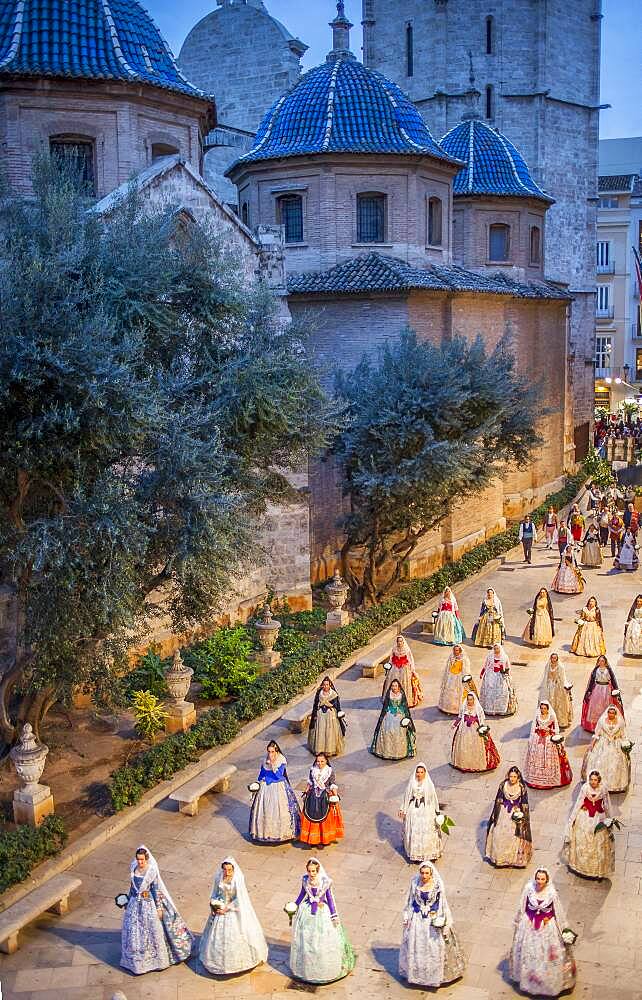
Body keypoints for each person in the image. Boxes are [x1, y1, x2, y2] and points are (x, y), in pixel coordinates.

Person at [121, 845, 193, 975]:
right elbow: (132, 887)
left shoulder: (151, 871)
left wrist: (159, 908)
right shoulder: (133, 868)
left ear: (146, 859)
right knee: (134, 930)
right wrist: (126, 901)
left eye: (142, 859)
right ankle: (136, 962)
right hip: (134, 904)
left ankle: (155, 960)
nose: (140, 862)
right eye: (138, 859)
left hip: (148, 903)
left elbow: (155, 890)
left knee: (152, 930)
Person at [509, 868, 577, 997]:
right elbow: (522, 904)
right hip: (529, 924)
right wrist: (518, 921)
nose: (540, 882)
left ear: (547, 880)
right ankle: (528, 980)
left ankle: (549, 983)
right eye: (538, 878)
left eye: (542, 879)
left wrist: (564, 929)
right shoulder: (529, 888)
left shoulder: (551, 893)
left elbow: (558, 911)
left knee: (549, 953)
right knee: (529, 952)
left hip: (547, 927)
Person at [399, 862, 465, 988]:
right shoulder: (415, 883)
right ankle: (418, 973)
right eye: (422, 873)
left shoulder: (437, 885)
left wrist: (438, 918)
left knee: (433, 946)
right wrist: (408, 916)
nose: (424, 876)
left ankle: (434, 974)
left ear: (431, 873)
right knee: (416, 944)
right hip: (418, 920)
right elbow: (410, 900)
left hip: (431, 920)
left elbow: (441, 903)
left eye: (427, 873)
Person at [289, 858, 355, 984]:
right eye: (309, 871)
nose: (311, 873)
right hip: (307, 911)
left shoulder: (324, 882)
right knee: (307, 939)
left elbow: (329, 899)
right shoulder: (305, 880)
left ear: (318, 870)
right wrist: (294, 905)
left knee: (321, 939)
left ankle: (323, 969)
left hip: (321, 911)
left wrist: (333, 915)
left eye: (313, 871)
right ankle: (307, 968)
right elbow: (301, 895)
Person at [199, 857, 268, 975]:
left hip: (233, 909)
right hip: (220, 908)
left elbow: (240, 898)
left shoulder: (237, 879)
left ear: (233, 869)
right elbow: (215, 893)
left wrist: (227, 908)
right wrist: (215, 905)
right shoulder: (219, 877)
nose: (227, 872)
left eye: (230, 870)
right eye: (225, 869)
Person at [564, 771, 615, 880]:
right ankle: (581, 867)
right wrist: (572, 819)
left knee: (598, 843)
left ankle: (596, 870)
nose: (593, 782)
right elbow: (579, 802)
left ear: (599, 780)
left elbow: (606, 804)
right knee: (583, 840)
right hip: (585, 816)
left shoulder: (603, 789)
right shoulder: (585, 788)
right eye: (591, 779)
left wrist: (610, 819)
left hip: (598, 817)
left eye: (595, 780)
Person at [249, 741, 301, 843]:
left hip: (278, 787)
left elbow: (278, 775)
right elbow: (261, 774)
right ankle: (265, 833)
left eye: (272, 751)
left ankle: (282, 833)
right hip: (265, 787)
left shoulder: (281, 760)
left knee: (280, 809)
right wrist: (257, 783)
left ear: (276, 751)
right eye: (269, 751)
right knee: (264, 809)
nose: (270, 754)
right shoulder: (265, 760)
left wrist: (273, 764)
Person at [485, 766, 533, 868]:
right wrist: (495, 813)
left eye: (514, 777)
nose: (512, 779)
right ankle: (500, 858)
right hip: (503, 812)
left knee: (513, 836)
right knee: (499, 833)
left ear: (518, 778)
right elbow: (498, 799)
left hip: (515, 812)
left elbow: (524, 803)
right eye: (511, 776)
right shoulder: (503, 785)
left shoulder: (522, 788)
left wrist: (521, 815)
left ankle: (512, 859)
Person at [398, 763, 443, 863]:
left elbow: (434, 798)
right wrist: (403, 809)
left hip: (426, 810)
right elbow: (407, 796)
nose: (419, 774)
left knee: (427, 831)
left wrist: (437, 812)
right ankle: (416, 854)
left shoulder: (429, 784)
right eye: (418, 772)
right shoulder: (412, 783)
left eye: (421, 772)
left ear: (425, 773)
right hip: (413, 810)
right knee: (415, 831)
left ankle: (429, 852)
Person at [523, 701, 572, 789]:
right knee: (536, 756)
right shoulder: (537, 716)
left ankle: (550, 778)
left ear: (548, 709)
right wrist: (535, 734)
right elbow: (534, 727)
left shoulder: (552, 716)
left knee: (549, 758)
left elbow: (556, 729)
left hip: (548, 739)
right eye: (541, 708)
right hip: (538, 739)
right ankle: (535, 777)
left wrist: (550, 732)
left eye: (544, 708)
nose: (543, 710)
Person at [582, 705, 630, 793]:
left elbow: (623, 734)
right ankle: (599, 783)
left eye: (612, 713)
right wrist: (592, 744)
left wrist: (625, 744)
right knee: (599, 761)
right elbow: (597, 734)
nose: (610, 714)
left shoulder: (620, 722)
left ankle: (614, 785)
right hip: (603, 744)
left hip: (616, 744)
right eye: (609, 712)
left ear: (615, 714)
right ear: (607, 713)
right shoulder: (602, 721)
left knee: (616, 764)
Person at [300, 753, 344, 846]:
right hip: (313, 795)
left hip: (325, 795)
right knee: (312, 815)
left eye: (322, 761)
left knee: (326, 817)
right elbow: (310, 782)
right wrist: (306, 792)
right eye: (318, 761)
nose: (320, 763)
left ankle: (324, 838)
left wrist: (335, 796)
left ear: (326, 761)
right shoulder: (313, 770)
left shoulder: (329, 771)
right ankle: (313, 839)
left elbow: (332, 784)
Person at [450, 691, 500, 773]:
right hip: (464, 729)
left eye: (471, 699)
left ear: (474, 700)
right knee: (463, 745)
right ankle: (463, 764)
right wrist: (455, 725)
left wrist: (480, 726)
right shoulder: (464, 707)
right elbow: (459, 717)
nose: (470, 701)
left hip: (475, 730)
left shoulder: (478, 708)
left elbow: (481, 720)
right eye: (468, 699)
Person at [370, 679, 416, 760]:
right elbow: (386, 705)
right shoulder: (389, 694)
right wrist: (389, 710)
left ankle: (399, 752)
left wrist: (400, 712)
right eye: (392, 686)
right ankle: (386, 751)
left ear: (399, 687)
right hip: (389, 714)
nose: (394, 687)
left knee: (398, 732)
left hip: (399, 714)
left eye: (396, 686)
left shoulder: (401, 694)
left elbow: (404, 706)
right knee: (387, 731)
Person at [581, 656, 623, 734]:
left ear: (605, 662)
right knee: (595, 706)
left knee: (605, 706)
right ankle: (594, 725)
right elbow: (591, 682)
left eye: (602, 661)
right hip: (597, 690)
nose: (601, 662)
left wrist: (616, 689)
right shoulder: (595, 670)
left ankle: (605, 725)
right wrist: (589, 691)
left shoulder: (608, 671)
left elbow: (613, 680)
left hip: (606, 690)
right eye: (599, 661)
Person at [308, 677, 346, 757]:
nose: (325, 686)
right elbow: (315, 704)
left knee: (329, 732)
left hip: (330, 715)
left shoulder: (333, 694)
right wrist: (315, 714)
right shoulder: (319, 693)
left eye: (327, 684)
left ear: (330, 685)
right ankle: (320, 749)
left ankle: (329, 750)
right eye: (324, 685)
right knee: (321, 731)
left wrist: (336, 710)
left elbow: (337, 706)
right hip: (321, 715)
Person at [382, 635, 423, 707]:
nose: (399, 643)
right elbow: (391, 659)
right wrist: (388, 667)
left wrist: (412, 669)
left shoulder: (406, 650)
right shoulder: (394, 649)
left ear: (403, 642)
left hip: (404, 669)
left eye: (401, 641)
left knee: (404, 683)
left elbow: (411, 660)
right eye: (398, 641)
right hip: (395, 668)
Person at [437, 645, 477, 715]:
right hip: (451, 677)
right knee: (450, 692)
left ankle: (458, 709)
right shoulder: (451, 657)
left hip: (459, 678)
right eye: (454, 650)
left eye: (457, 650)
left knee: (459, 693)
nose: (455, 652)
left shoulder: (464, 659)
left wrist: (464, 679)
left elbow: (466, 671)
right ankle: (448, 709)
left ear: (460, 651)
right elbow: (448, 667)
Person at [479, 643, 517, 717]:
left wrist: (507, 674)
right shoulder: (490, 656)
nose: (496, 650)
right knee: (490, 692)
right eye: (495, 648)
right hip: (490, 676)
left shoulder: (505, 657)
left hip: (501, 677)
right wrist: (482, 673)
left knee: (502, 692)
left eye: (497, 648)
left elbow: (508, 667)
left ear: (500, 649)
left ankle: (500, 709)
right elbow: (485, 665)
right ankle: (489, 709)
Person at [538, 653, 573, 729]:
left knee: (558, 703)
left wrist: (562, 685)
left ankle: (559, 720)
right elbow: (545, 676)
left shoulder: (560, 667)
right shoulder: (548, 665)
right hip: (549, 686)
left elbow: (563, 678)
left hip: (557, 687)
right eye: (552, 658)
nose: (553, 659)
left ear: (557, 659)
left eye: (555, 658)